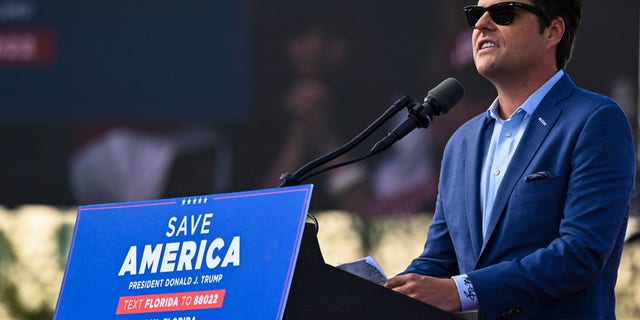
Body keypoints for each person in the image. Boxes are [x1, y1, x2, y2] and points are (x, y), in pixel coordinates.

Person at [384, 1, 636, 319]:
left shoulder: (595, 120)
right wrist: (380, 293)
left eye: (504, 14)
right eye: (475, 16)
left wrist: (463, 291)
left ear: (553, 31)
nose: (481, 25)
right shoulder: (461, 141)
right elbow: (439, 260)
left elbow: (579, 254)